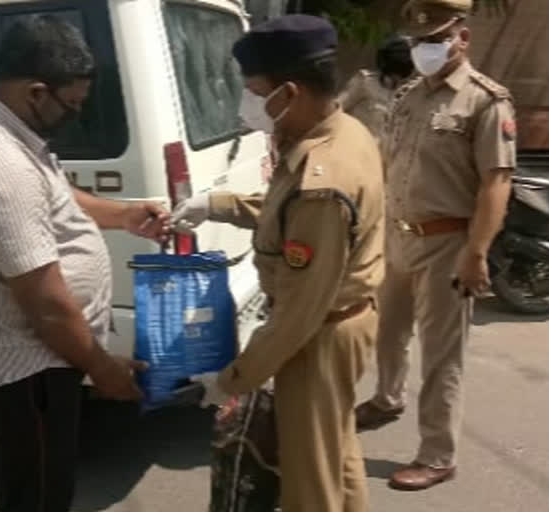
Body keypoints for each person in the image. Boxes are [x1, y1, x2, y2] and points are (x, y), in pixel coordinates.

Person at [0, 16, 169, 512]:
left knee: (35, 484)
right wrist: (103, 369)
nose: (76, 115)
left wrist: (123, 215)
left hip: (42, 361)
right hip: (31, 370)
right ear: (37, 92)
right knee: (40, 495)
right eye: (73, 105)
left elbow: (54, 197)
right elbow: (47, 308)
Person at [173, 15, 385, 512]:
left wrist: (232, 377)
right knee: (336, 454)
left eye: (253, 90)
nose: (246, 102)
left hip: (320, 336)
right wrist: (219, 204)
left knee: (308, 480)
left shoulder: (323, 181)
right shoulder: (343, 131)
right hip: (342, 321)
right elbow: (282, 213)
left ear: (288, 92)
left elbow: (296, 315)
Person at [354, 0, 516, 491]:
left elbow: (496, 182)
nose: (426, 49)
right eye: (419, 42)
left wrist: (477, 251)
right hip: (399, 236)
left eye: (436, 40)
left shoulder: (486, 101)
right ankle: (387, 398)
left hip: (449, 242)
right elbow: (388, 164)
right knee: (387, 333)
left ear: (461, 38)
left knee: (442, 354)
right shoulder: (409, 95)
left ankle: (437, 454)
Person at [337, 35, 415, 140]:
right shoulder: (365, 82)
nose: (396, 80)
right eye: (392, 75)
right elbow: (336, 110)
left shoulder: (407, 94)